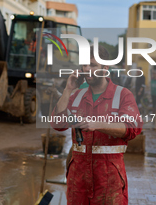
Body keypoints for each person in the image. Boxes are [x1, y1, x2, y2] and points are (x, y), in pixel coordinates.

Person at [51, 45, 142, 205]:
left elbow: (132, 128)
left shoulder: (122, 95)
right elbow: (57, 124)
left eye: (92, 65)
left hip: (109, 177)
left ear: (105, 68)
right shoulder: (76, 96)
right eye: (84, 65)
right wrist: (67, 90)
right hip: (78, 179)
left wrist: (98, 123)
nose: (87, 69)